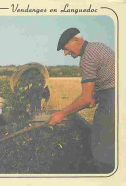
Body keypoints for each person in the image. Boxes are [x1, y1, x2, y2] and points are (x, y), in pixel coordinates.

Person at [49, 28, 115, 173]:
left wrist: (61, 114)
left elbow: (85, 98)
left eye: (66, 49)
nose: (66, 53)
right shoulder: (97, 46)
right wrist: (96, 95)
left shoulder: (87, 58)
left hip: (113, 100)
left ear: (76, 40)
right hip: (113, 95)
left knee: (101, 148)